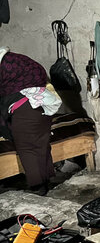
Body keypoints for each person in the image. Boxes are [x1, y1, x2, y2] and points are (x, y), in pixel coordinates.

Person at [0, 48, 62, 195]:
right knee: (41, 145)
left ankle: (38, 187)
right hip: (41, 106)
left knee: (27, 148)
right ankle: (45, 181)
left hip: (26, 111)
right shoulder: (18, 63)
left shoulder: (7, 73)